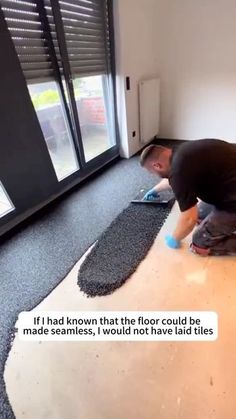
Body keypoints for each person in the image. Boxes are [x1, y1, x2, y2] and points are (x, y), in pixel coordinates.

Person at [140, 139, 236, 256]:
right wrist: (155, 190)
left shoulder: (178, 172)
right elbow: (176, 178)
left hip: (231, 202)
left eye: (152, 172)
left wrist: (175, 238)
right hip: (228, 187)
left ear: (157, 165)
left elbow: (189, 219)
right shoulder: (182, 152)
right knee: (200, 215)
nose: (154, 175)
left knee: (199, 243)